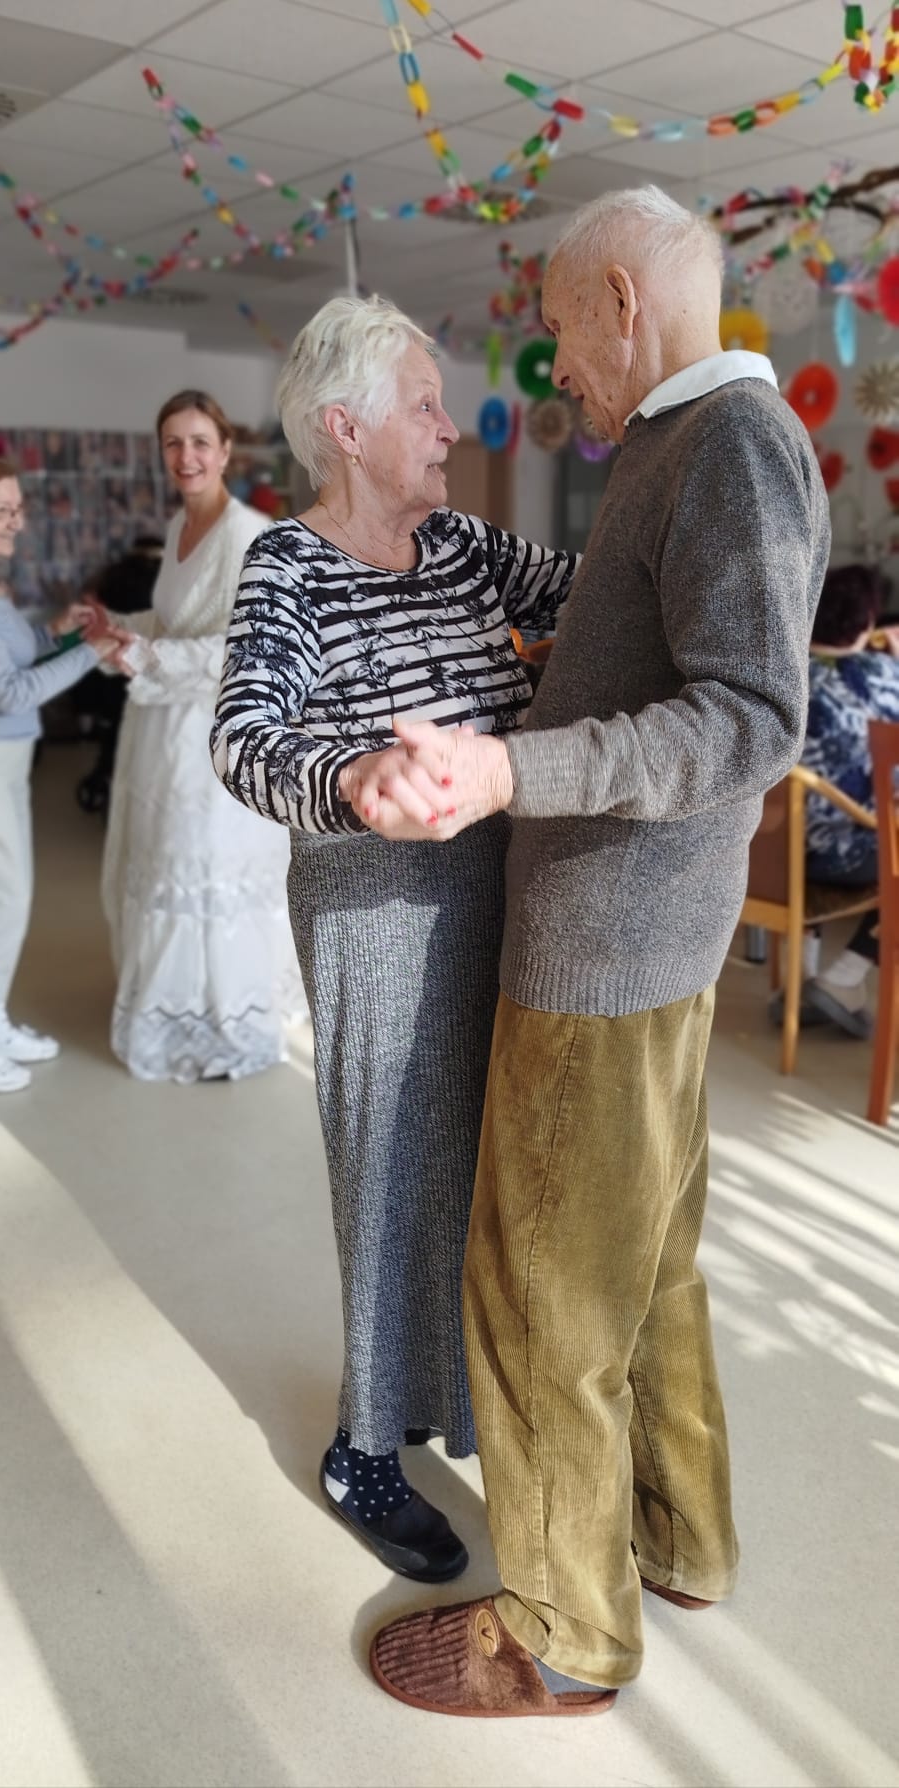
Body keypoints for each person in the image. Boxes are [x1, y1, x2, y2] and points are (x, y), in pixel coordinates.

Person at [352, 187, 831, 1717]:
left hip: (607, 953)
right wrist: (563, 678)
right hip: (647, 945)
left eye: (562, 328)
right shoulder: (687, 446)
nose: (556, 365)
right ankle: (680, 1539)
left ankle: (561, 1629)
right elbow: (675, 667)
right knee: (649, 1273)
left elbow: (751, 720)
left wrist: (511, 767)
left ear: (623, 301)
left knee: (539, 1292)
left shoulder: (731, 447)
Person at [211, 295, 578, 1583]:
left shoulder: (461, 542)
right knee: (389, 1175)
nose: (446, 427)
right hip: (372, 905)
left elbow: (596, 595)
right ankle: (365, 1446)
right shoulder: (288, 564)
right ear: (344, 427)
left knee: (479, 1171)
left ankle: (460, 1406)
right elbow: (242, 739)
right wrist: (357, 774)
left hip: (500, 888)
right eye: (424, 404)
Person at [97, 391, 303, 1082]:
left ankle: (223, 1024)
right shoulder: (178, 526)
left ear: (225, 450)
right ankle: (171, 1008)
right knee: (163, 869)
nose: (186, 456)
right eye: (173, 443)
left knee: (202, 874)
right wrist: (120, 631)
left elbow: (247, 650)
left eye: (199, 442)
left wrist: (149, 658)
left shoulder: (251, 535)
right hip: (160, 739)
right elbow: (173, 623)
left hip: (214, 748)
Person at [0, 455, 127, 1093]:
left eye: (17, 508)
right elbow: (12, 693)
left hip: (12, 763)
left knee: (10, 894)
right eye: (3, 511)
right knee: (8, 896)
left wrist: (61, 636)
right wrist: (91, 654)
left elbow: (18, 656)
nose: (16, 522)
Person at [797, 563, 899, 1036]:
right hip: (842, 857)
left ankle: (800, 982)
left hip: (770, 859)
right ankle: (844, 977)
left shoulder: (783, 676)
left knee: (809, 816)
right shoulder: (881, 676)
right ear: (867, 622)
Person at [74, 535, 164, 814]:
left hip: (110, 667)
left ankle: (107, 777)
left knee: (114, 731)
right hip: (147, 667)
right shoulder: (163, 581)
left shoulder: (109, 576)